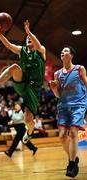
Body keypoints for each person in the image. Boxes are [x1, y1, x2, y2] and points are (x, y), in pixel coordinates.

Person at [0, 20, 46, 143]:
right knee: (14, 68)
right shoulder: (21, 51)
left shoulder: (40, 51)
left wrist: (29, 32)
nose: (29, 38)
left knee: (28, 120)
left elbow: (38, 45)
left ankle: (30, 132)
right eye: (27, 37)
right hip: (23, 83)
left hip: (34, 90)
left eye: (31, 37)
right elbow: (8, 45)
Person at [50, 46, 87, 178]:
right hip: (63, 106)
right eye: (61, 51)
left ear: (71, 55)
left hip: (78, 104)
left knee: (73, 132)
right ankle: (73, 158)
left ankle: (71, 164)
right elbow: (58, 95)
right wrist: (54, 89)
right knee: (61, 136)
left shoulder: (79, 69)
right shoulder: (57, 74)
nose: (62, 52)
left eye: (65, 51)